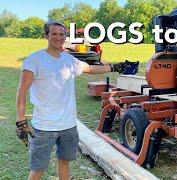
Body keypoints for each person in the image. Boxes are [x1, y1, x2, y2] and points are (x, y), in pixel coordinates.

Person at [15, 21, 124, 180]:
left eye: (61, 34)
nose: (58, 37)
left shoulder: (69, 60)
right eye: (54, 34)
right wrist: (20, 120)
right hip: (44, 126)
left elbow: (90, 68)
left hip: (69, 125)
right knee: (38, 168)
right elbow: (22, 89)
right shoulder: (35, 60)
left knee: (64, 161)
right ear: (46, 36)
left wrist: (113, 67)